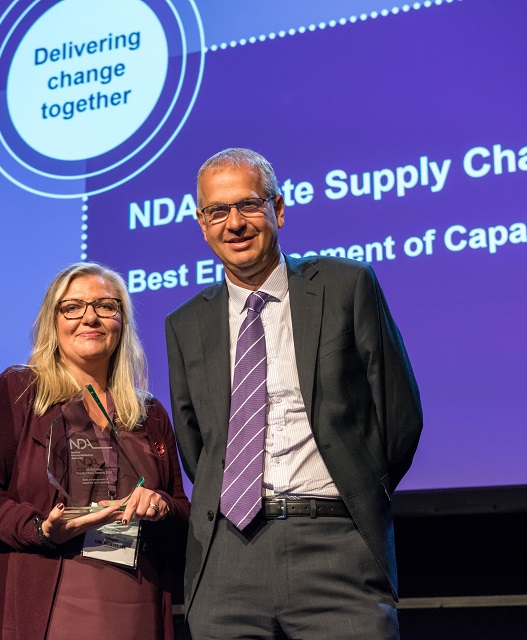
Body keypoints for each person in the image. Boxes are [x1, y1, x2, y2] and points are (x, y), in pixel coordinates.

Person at [165, 148, 423, 639]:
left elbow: (400, 413)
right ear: (202, 224)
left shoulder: (346, 286)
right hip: (228, 559)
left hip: (336, 544)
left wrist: (360, 486)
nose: (234, 223)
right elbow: (196, 446)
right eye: (218, 211)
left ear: (277, 210)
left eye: (248, 205)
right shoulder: (185, 323)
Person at [0, 262, 190, 640]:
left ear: (122, 322)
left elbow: (181, 508)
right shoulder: (18, 391)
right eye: (73, 307)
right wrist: (39, 529)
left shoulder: (149, 414)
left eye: (105, 306)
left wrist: (160, 505)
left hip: (135, 599)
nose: (90, 318)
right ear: (53, 321)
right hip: (48, 595)